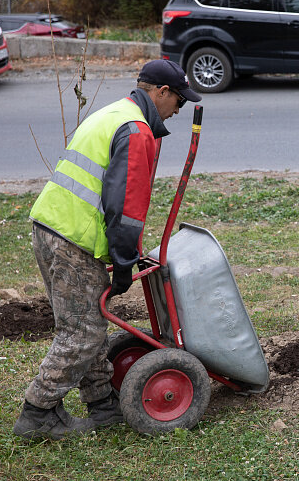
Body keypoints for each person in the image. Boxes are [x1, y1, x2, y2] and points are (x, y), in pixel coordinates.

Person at [14, 59, 201, 440]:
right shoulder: (136, 129)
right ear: (160, 92)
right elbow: (126, 207)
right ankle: (37, 414)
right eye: (179, 100)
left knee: (89, 327)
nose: (179, 109)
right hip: (72, 239)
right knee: (81, 333)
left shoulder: (116, 113)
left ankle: (102, 405)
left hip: (51, 227)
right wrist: (123, 262)